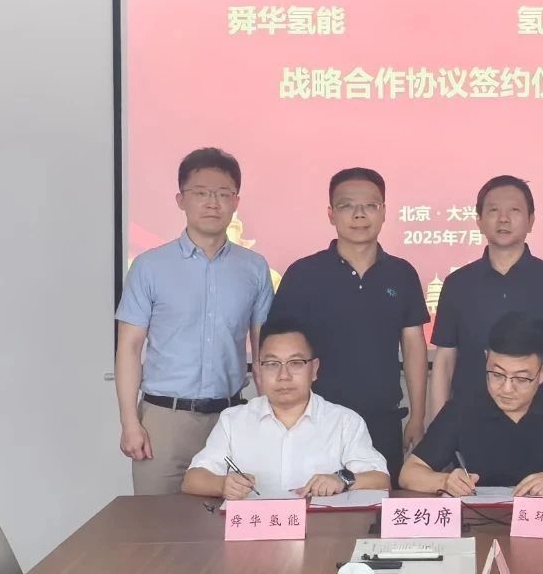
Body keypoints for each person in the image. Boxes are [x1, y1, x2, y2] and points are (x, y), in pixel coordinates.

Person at [114, 147, 274, 495]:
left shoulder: (254, 268)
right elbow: (129, 348)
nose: (212, 203)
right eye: (201, 193)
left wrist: (270, 420)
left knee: (230, 520)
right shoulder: (150, 267)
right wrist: (129, 422)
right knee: (158, 522)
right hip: (163, 422)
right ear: (180, 200)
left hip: (230, 419)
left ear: (236, 201)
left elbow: (265, 353)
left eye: (223, 194)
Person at [267, 168, 429, 487]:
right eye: (347, 206)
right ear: (331, 213)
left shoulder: (401, 274)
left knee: (378, 507)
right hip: (314, 419)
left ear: (384, 211)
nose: (359, 214)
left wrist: (418, 417)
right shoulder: (303, 274)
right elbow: (275, 349)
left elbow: (414, 348)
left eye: (370, 205)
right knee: (313, 504)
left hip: (381, 419)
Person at [400, 312, 543, 497]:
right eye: (497, 375)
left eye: (521, 378)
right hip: (480, 521)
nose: (507, 389)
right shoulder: (462, 408)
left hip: (542, 522)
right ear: (486, 359)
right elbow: (409, 473)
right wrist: (445, 481)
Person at [182, 319, 390, 500]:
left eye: (296, 363)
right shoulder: (233, 420)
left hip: (320, 529)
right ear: (258, 369)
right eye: (272, 364)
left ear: (314, 369)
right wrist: (222, 485)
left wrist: (341, 480)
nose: (284, 375)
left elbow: (381, 479)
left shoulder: (344, 421)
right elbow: (192, 480)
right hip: (254, 529)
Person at [429, 175, 543, 417]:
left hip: (540, 421)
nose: (503, 219)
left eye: (514, 210)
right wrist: (438, 425)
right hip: (469, 420)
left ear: (531, 220)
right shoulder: (458, 284)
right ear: (479, 221)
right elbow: (445, 361)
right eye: (493, 210)